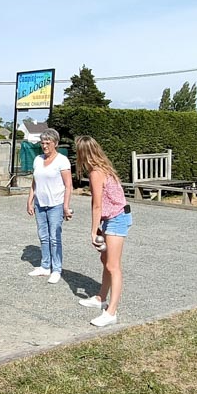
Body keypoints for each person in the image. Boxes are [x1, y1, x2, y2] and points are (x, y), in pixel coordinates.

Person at [73, 135, 131, 327]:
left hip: (117, 219)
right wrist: (99, 226)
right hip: (111, 219)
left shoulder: (96, 173)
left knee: (113, 266)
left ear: (83, 154)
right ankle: (100, 298)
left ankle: (111, 312)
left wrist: (92, 232)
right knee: (105, 260)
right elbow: (98, 202)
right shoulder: (104, 168)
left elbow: (97, 205)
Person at [26, 128, 73, 284]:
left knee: (54, 238)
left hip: (56, 205)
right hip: (40, 203)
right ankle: (45, 266)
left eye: (48, 143)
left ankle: (56, 269)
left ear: (55, 143)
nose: (44, 146)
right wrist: (30, 200)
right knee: (43, 236)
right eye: (42, 142)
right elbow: (35, 182)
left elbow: (68, 185)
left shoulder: (62, 161)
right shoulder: (38, 159)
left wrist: (66, 206)